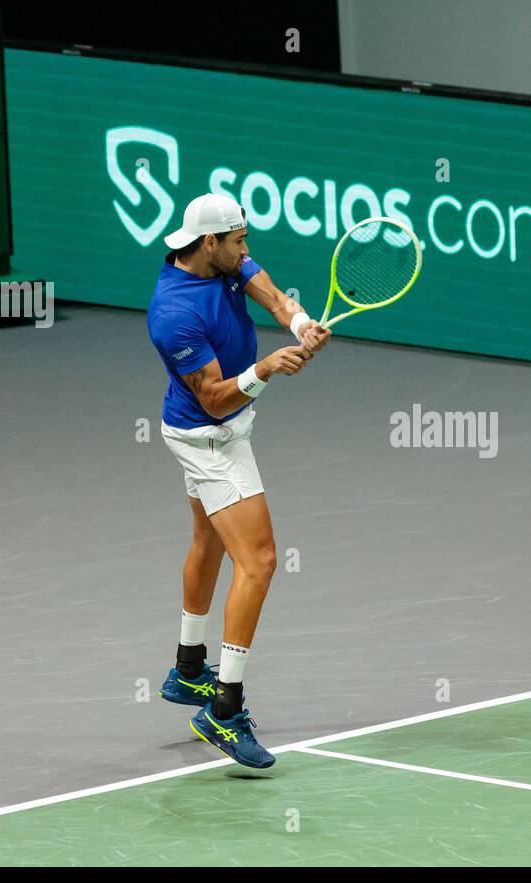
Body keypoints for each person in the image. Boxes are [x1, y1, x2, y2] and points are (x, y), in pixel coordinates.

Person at [147, 193, 330, 768]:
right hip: (211, 440)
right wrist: (266, 368)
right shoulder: (174, 313)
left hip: (207, 431)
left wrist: (298, 323)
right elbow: (217, 397)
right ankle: (224, 709)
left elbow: (268, 291)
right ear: (209, 243)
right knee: (260, 561)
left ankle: (188, 669)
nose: (246, 251)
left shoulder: (220, 259)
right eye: (238, 242)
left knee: (208, 542)